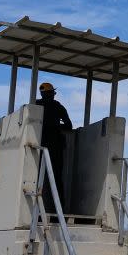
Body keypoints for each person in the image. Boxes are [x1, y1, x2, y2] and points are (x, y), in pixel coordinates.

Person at [36, 82, 73, 213]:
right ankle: (59, 210)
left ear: (42, 94)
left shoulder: (35, 104)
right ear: (51, 93)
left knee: (35, 176)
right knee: (56, 178)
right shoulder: (58, 107)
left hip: (38, 147)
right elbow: (69, 125)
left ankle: (35, 209)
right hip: (55, 147)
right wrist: (57, 127)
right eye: (53, 93)